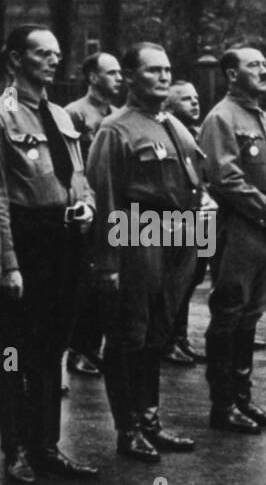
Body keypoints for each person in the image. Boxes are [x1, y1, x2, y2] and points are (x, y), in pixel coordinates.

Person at [0, 25, 99, 485]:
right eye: (41, 53)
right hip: (26, 241)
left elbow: (77, 174)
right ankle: (16, 449)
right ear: (14, 60)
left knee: (51, 347)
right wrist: (5, 262)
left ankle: (46, 444)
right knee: (12, 349)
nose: (53, 60)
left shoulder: (62, 116)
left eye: (57, 53)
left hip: (64, 240)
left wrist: (87, 205)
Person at [87, 42, 202, 462]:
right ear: (131, 78)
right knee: (129, 333)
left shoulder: (175, 125)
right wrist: (108, 262)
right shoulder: (116, 129)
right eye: (153, 71)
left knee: (159, 331)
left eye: (168, 70)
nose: (164, 77)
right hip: (138, 229)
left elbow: (194, 181)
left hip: (179, 232)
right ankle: (128, 427)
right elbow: (106, 196)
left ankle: (151, 418)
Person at [199, 45, 266, 433]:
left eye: (264, 63)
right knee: (230, 311)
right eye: (252, 65)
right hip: (239, 226)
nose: (262, 70)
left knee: (251, 315)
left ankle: (243, 397)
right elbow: (224, 178)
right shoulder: (221, 118)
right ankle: (222, 404)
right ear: (231, 74)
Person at [65, 51, 123, 378]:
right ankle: (78, 349)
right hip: (91, 206)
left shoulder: (117, 114)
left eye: (119, 73)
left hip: (114, 205)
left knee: (110, 283)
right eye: (111, 72)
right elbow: (74, 163)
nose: (119, 78)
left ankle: (94, 345)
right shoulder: (75, 113)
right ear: (93, 77)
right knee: (87, 284)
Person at [164, 80, 210, 364]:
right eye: (185, 99)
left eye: (195, 97)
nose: (195, 103)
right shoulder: (167, 131)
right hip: (175, 218)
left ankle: (180, 337)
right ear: (169, 105)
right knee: (172, 280)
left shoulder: (196, 132)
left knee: (192, 278)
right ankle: (166, 340)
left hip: (202, 215)